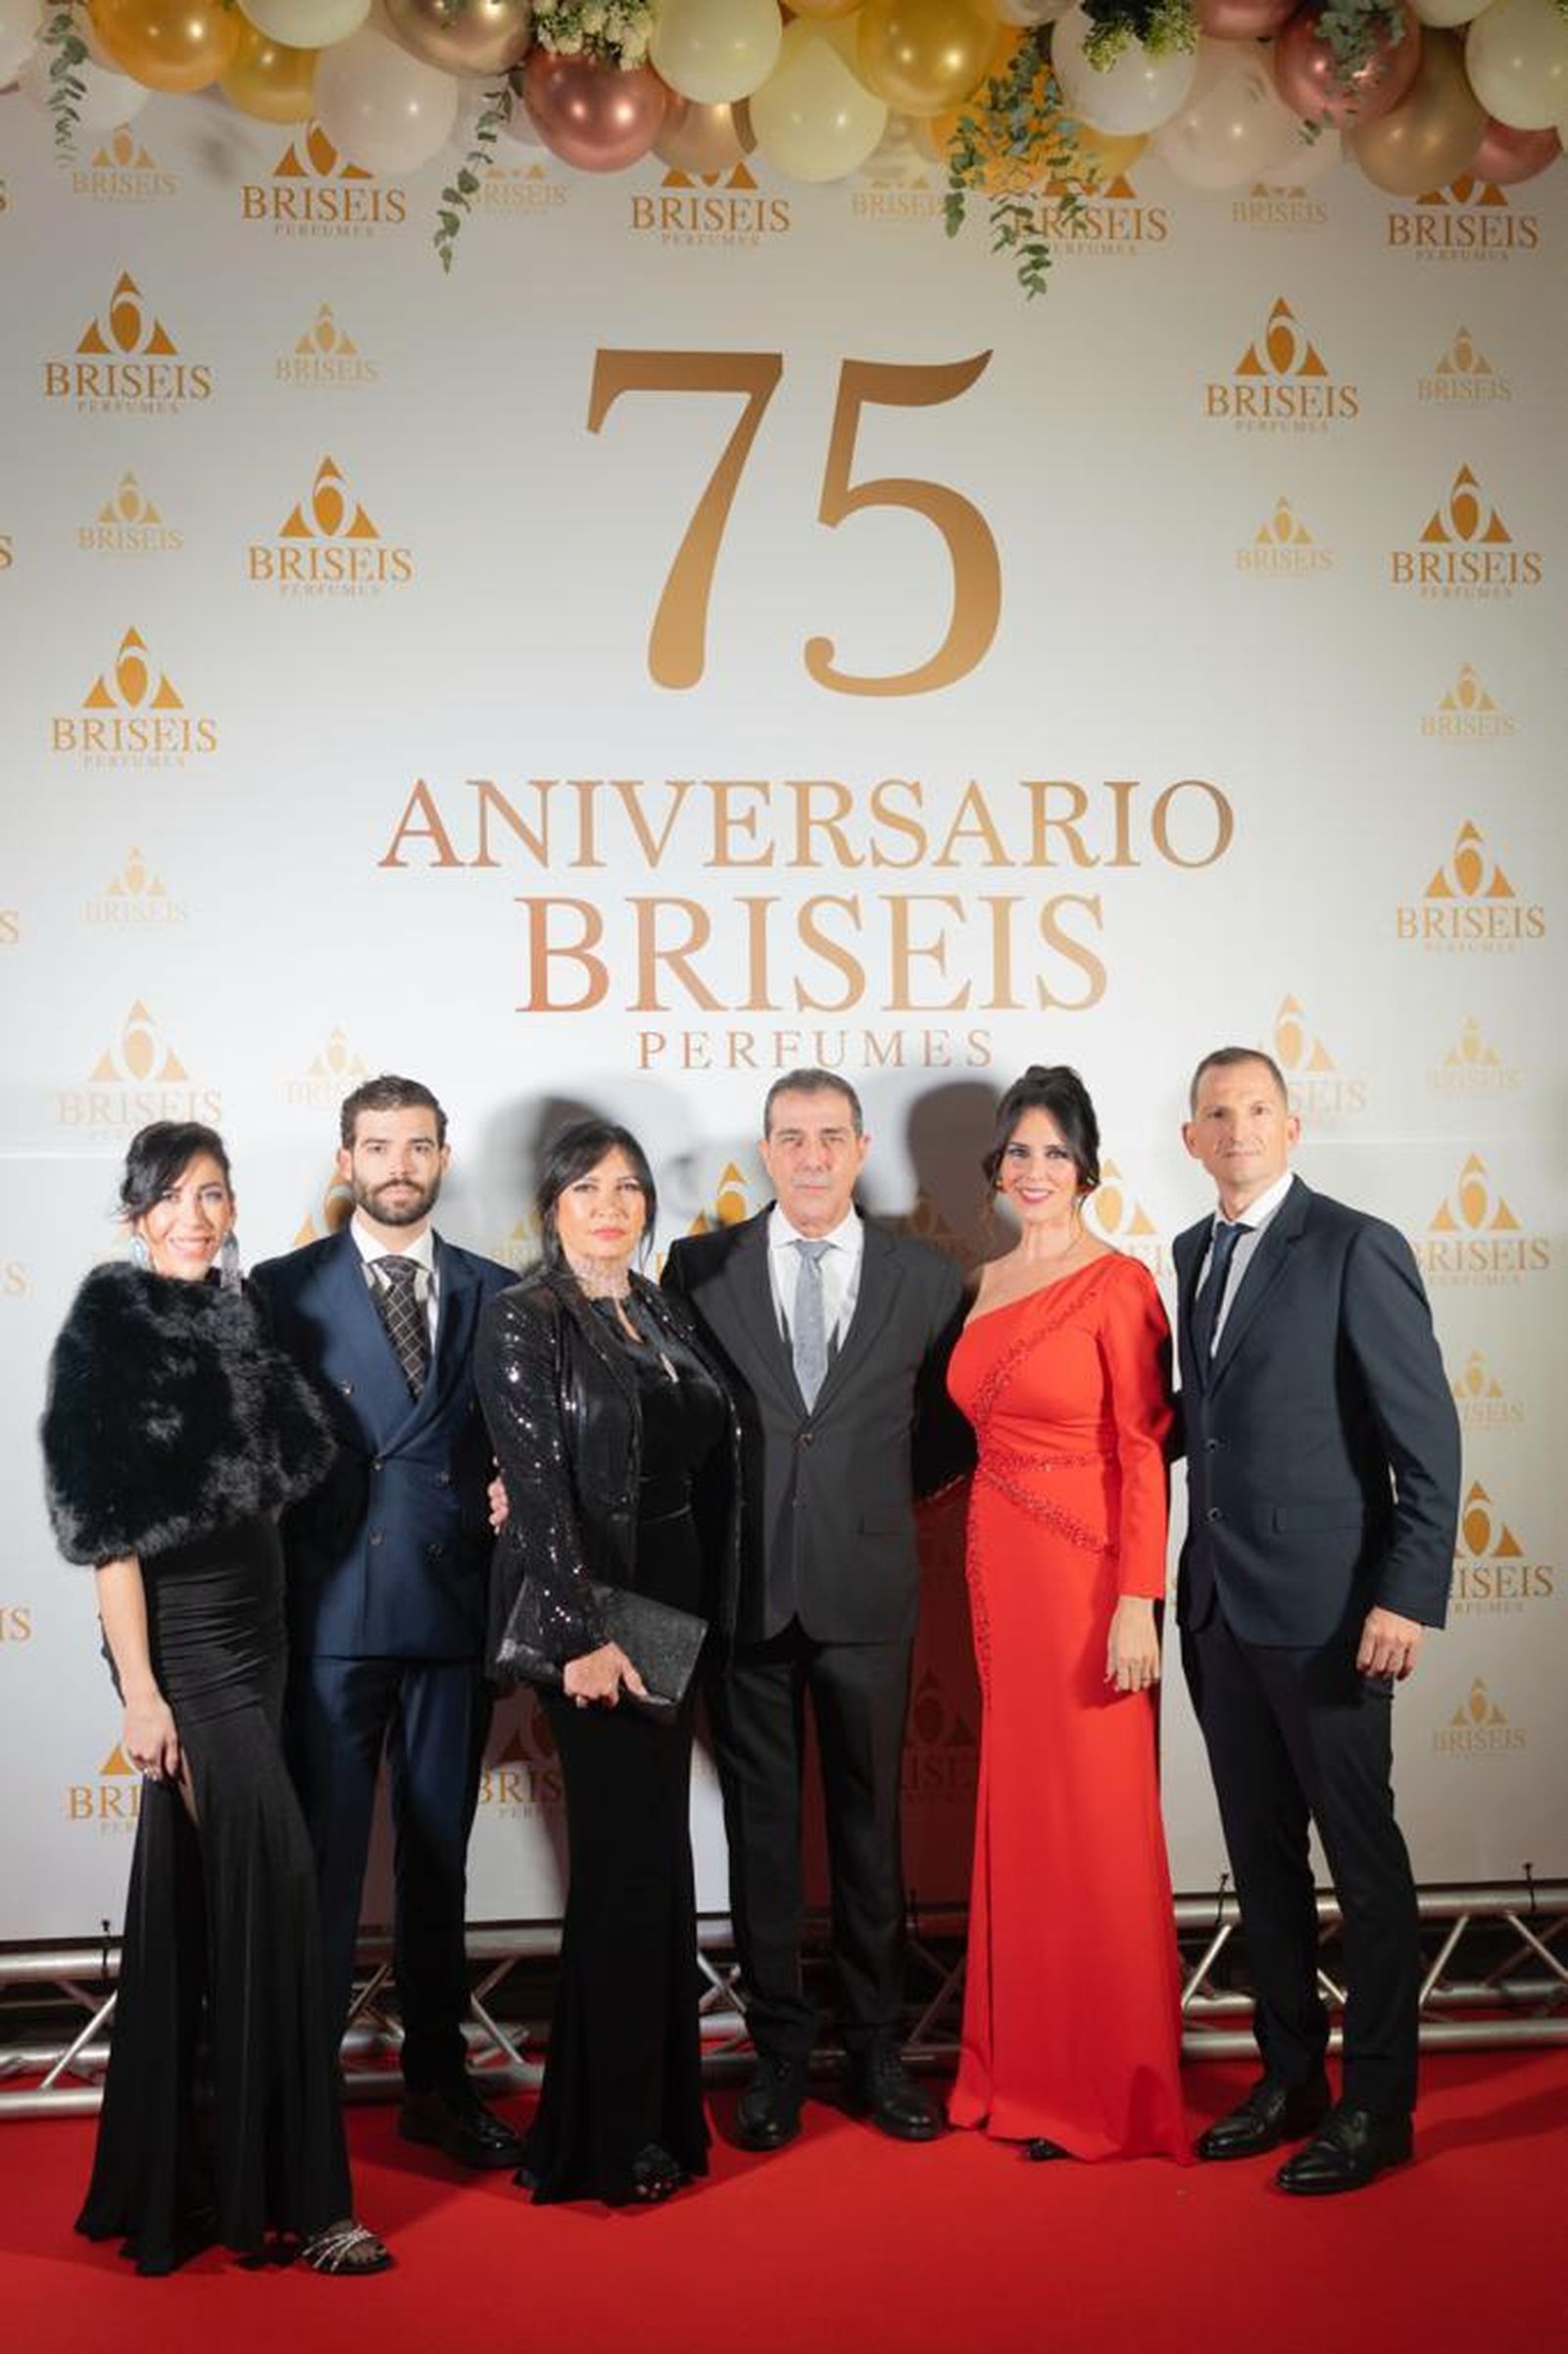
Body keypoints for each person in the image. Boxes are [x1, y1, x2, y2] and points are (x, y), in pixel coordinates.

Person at [40, 1123, 388, 2277]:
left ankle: (201, 2179)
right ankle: (313, 2200)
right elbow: (109, 1543)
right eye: (175, 1197)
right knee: (280, 1892)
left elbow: (285, 1486)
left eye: (215, 1194)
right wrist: (142, 1693)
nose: (197, 1215)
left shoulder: (236, 1315)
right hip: (185, 1652)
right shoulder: (113, 1328)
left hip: (265, 1638)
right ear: (137, 1210)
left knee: (213, 1905)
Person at [663, 1069, 967, 2151]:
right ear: (763, 1146)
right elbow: (684, 1425)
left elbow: (946, 1431)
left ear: (860, 1145)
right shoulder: (697, 1268)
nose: (808, 1155)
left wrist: (865, 1501)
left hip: (867, 1588)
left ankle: (877, 2045)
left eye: (829, 1136)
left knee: (869, 1828)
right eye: (788, 1136)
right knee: (761, 1836)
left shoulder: (928, 1280)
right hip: (744, 1595)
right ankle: (779, 2050)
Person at [1175, 1048, 1460, 2194]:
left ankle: (1376, 2103)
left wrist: (1406, 1590)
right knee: (1259, 1859)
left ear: (1291, 1128)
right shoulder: (1192, 1251)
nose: (1236, 1128)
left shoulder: (1355, 1244)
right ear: (1189, 1135)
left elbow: (1425, 1438)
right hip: (1219, 1611)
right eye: (1216, 1113)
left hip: (1337, 1611)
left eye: (1256, 1110)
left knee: (1364, 1861)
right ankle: (1289, 2075)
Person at [249, 1075, 522, 2171]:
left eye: (417, 1144)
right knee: (320, 1864)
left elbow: (522, 1441)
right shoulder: (280, 1286)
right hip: (329, 1614)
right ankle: (297, 2096)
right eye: (377, 1145)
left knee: (437, 1862)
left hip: (453, 1613)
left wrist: (517, 1499)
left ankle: (437, 2085)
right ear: (345, 1159)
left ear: (445, 1155)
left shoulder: (500, 1289)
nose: (397, 1163)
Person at [475, 1118, 737, 2204]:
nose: (611, 1203)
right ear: (552, 1203)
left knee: (656, 1866)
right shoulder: (523, 1318)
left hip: (674, 1613)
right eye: (587, 1186)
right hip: (599, 1622)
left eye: (628, 1185)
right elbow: (536, 1493)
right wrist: (582, 1636)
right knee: (625, 1872)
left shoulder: (662, 1306)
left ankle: (656, 2118)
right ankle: (605, 2136)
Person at [946, 1067, 1188, 2163]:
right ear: (995, 1168)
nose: (1033, 1171)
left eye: (1054, 1152)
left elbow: (1143, 1447)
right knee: (1024, 1817)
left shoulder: (1118, 1280)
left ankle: (1106, 2085)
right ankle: (1020, 2069)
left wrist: (1140, 1597)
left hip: (1092, 1577)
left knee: (1094, 1828)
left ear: (1086, 1166)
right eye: (1018, 1152)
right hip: (1000, 1566)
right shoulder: (983, 1278)